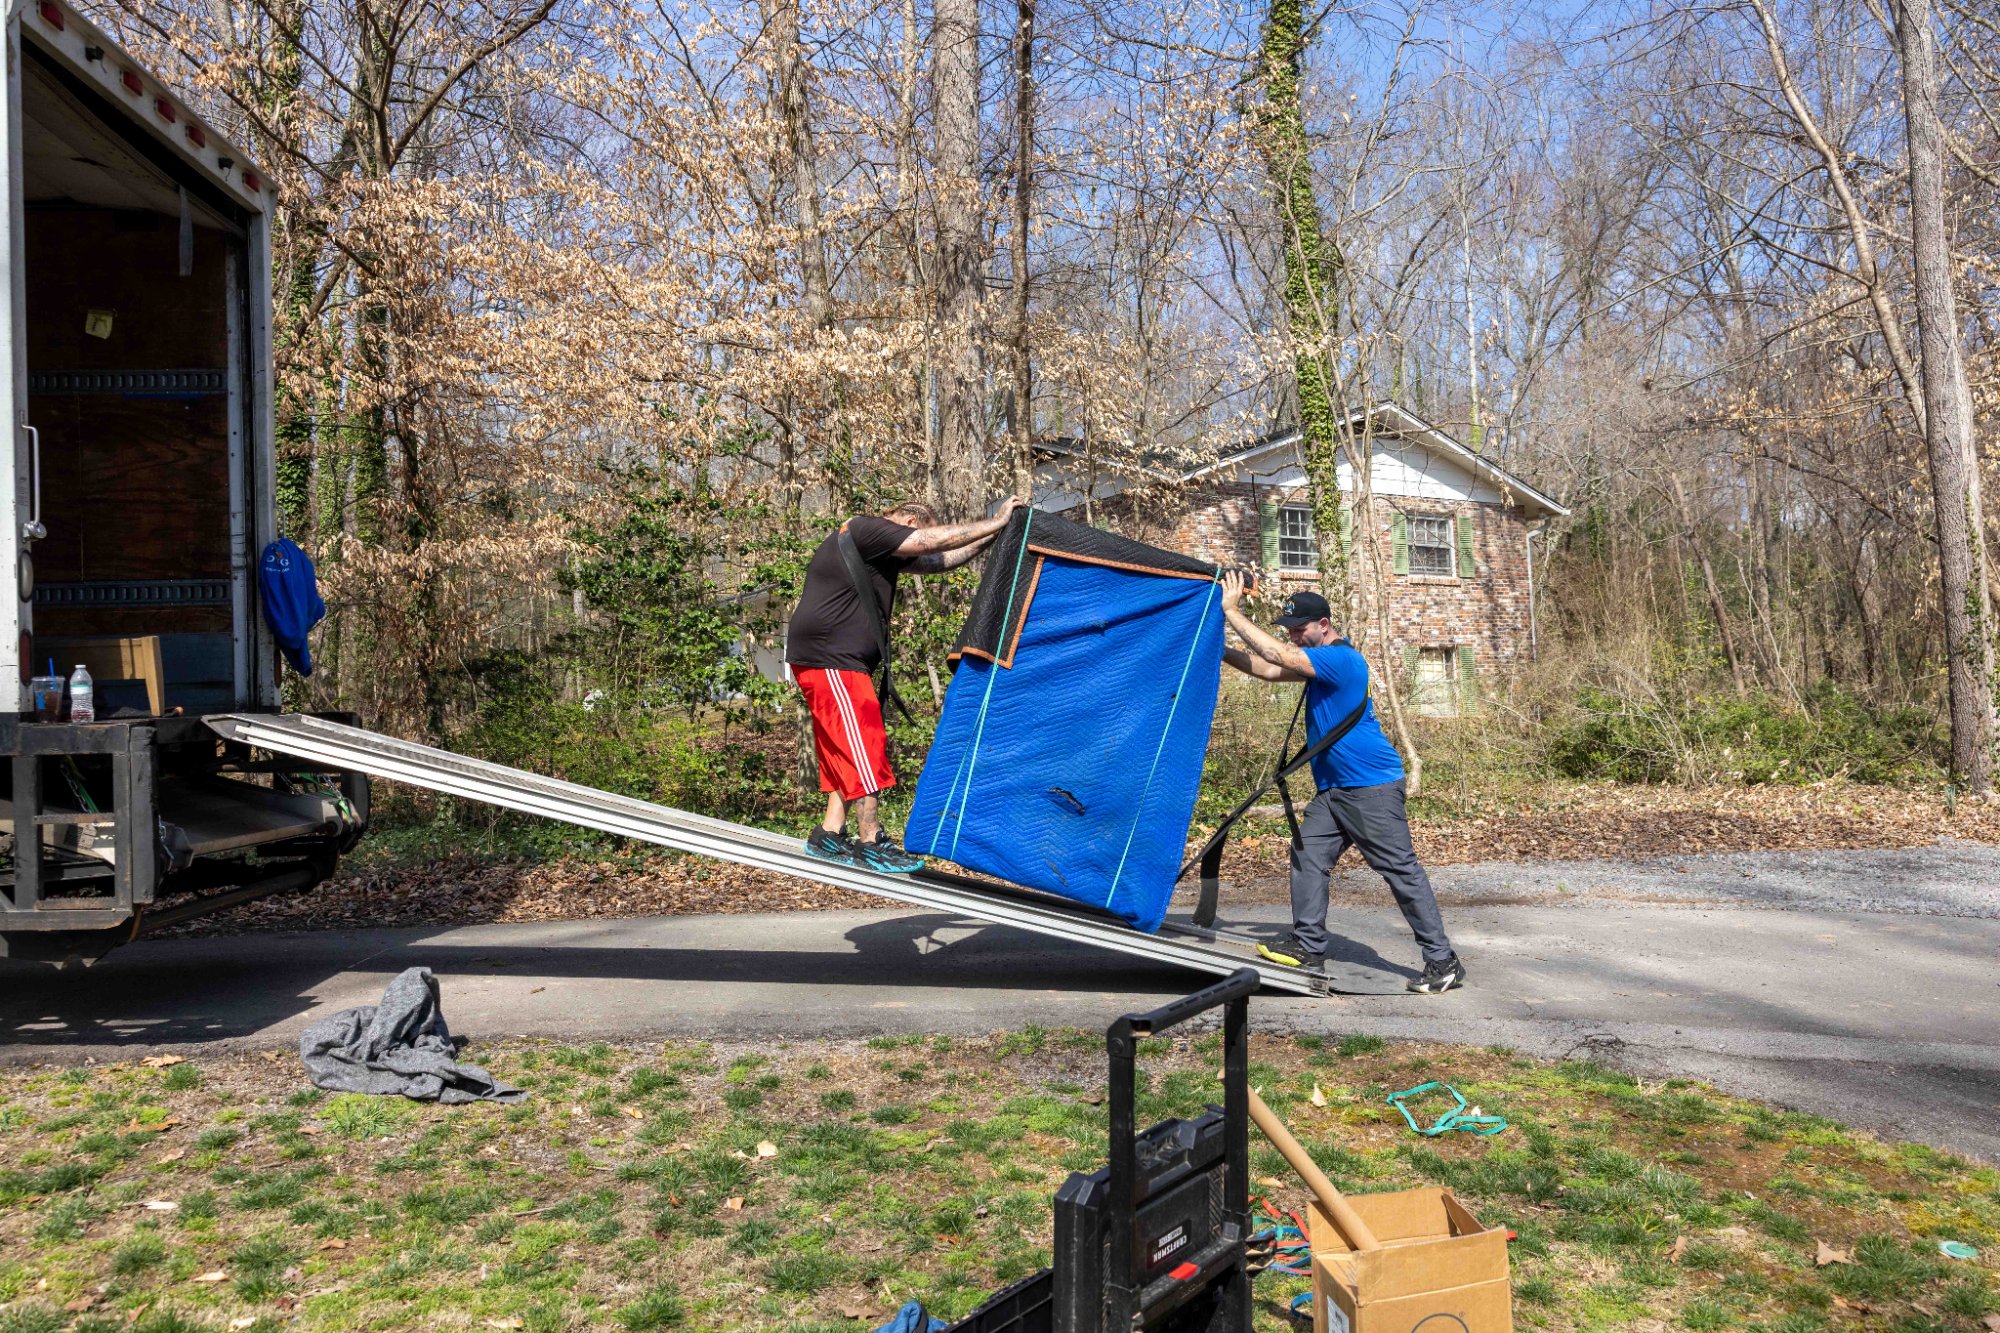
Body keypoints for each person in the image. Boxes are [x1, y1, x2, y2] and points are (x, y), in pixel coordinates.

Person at [1217, 571, 1467, 994]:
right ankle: (1309, 946)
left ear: (1324, 625)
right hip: (1333, 792)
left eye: (1300, 629)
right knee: (1308, 857)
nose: (1294, 636)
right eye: (1290, 630)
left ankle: (1442, 961)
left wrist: (1230, 611)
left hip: (1371, 786)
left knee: (1400, 872)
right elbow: (1264, 667)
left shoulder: (1342, 659)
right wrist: (1217, 649)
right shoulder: (1320, 664)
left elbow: (1278, 655)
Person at [787, 496, 1021, 872]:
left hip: (832, 660)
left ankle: (829, 832)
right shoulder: (866, 528)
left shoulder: (878, 548)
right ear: (910, 521)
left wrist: (990, 537)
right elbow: (931, 543)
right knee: (865, 744)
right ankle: (872, 840)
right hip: (831, 658)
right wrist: (995, 521)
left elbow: (938, 560)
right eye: (918, 531)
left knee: (846, 748)